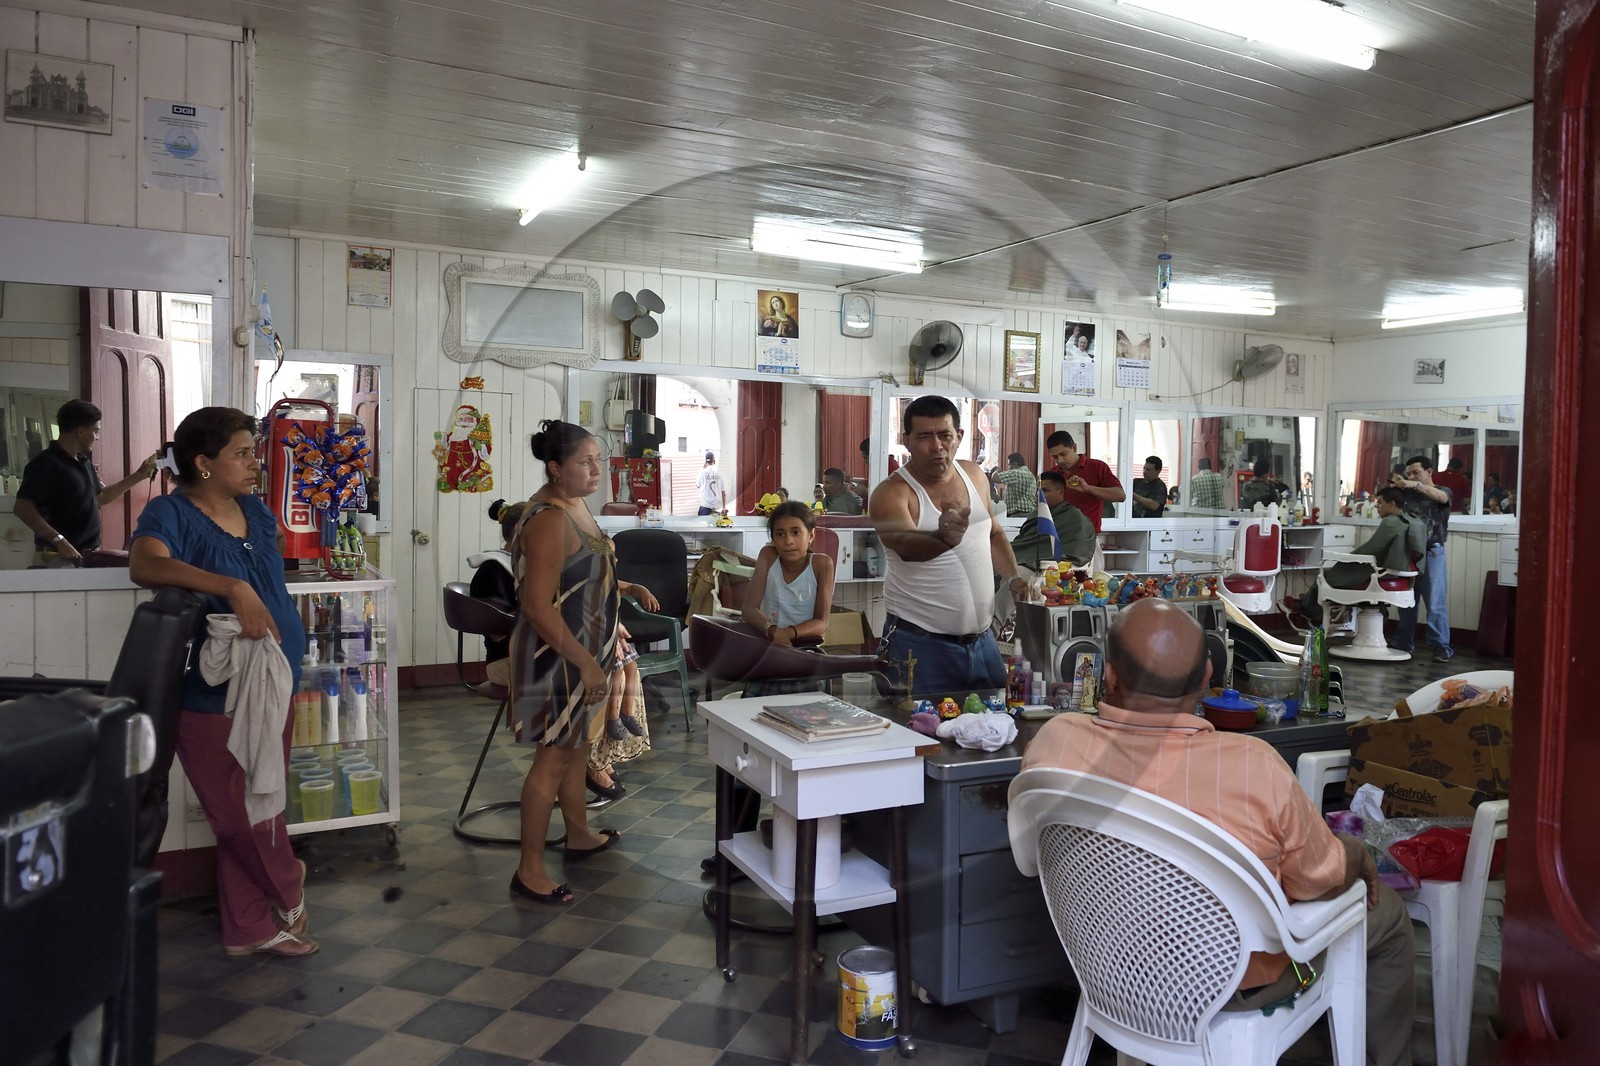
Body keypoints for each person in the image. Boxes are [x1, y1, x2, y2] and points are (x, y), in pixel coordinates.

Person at [1020, 600, 1415, 1066]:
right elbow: (1317, 880)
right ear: (1209, 675)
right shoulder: (1253, 766)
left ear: (1109, 675)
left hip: (1110, 972)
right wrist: (1354, 855)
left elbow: (1030, 859)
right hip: (1229, 986)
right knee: (1389, 914)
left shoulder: (1055, 741)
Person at [128, 407, 314, 957]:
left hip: (275, 677)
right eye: (242, 453)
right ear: (204, 463)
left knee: (263, 799)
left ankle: (250, 928)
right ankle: (289, 881)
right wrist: (231, 586)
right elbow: (144, 565)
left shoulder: (255, 510)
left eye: (253, 452)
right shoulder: (171, 511)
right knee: (236, 814)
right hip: (211, 687)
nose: (255, 463)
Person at [508, 420, 661, 905]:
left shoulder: (575, 504)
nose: (596, 470)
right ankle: (529, 870)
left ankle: (577, 834)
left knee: (577, 748)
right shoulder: (549, 518)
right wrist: (587, 664)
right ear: (555, 468)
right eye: (585, 462)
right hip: (558, 655)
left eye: (598, 460)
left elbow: (580, 574)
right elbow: (537, 605)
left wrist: (625, 587)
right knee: (552, 758)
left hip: (586, 650)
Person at [870, 396, 1028, 698]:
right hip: (919, 646)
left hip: (983, 642)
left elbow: (993, 534)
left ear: (959, 437)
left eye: (944, 435)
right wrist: (942, 538)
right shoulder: (892, 493)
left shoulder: (974, 475)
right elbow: (907, 548)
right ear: (907, 440)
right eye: (924, 437)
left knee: (997, 722)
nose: (937, 446)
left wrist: (1014, 578)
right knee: (918, 728)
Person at [14, 398, 158, 566]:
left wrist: (139, 475)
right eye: (95, 431)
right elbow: (22, 508)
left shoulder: (84, 463)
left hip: (86, 556)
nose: (97, 437)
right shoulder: (45, 463)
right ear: (81, 432)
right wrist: (59, 541)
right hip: (57, 557)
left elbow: (100, 498)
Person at [740, 500, 837, 689]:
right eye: (780, 534)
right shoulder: (768, 556)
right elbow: (749, 610)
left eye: (795, 532)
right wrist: (773, 632)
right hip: (769, 647)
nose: (788, 541)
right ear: (773, 539)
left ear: (811, 535)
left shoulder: (822, 564)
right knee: (762, 702)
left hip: (806, 650)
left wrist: (787, 634)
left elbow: (821, 622)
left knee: (806, 703)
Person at [1391, 455, 1454, 662]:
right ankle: (1403, 642)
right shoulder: (1407, 494)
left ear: (1429, 471)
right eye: (1409, 473)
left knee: (1435, 601)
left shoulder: (1443, 491)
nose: (1411, 477)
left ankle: (1440, 647)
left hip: (1432, 551)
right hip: (1408, 552)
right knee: (1407, 600)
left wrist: (1415, 485)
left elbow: (1442, 498)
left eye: (1416, 472)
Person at [468, 498, 527, 688]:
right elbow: (497, 630)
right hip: (506, 660)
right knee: (577, 671)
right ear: (520, 529)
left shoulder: (528, 565)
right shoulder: (493, 569)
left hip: (530, 653)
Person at [1322, 486, 1426, 590]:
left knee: (1328, 575)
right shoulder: (1414, 521)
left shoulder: (1391, 522)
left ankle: (1315, 599)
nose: (1377, 506)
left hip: (1385, 572)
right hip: (1406, 575)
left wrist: (1347, 558)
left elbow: (1371, 550)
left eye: (1380, 502)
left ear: (1392, 504)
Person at [1011, 470, 1097, 569]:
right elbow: (1023, 542)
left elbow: (1076, 550)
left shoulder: (1075, 518)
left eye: (1045, 490)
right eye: (1037, 491)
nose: (1038, 495)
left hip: (1047, 567)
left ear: (1061, 492)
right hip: (1022, 558)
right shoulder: (1036, 514)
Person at [1046, 430, 1123, 532]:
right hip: (1058, 534)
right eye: (1055, 457)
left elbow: (1120, 495)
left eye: (1063, 454)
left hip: (1087, 536)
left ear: (1074, 447)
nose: (1060, 460)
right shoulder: (1052, 474)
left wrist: (1088, 489)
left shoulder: (1097, 467)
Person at [696, 450, 726, 515]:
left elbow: (697, 485)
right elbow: (723, 493)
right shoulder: (720, 473)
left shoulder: (702, 472)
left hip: (705, 507)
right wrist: (724, 507)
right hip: (717, 508)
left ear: (705, 461)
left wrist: (703, 468)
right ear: (714, 461)